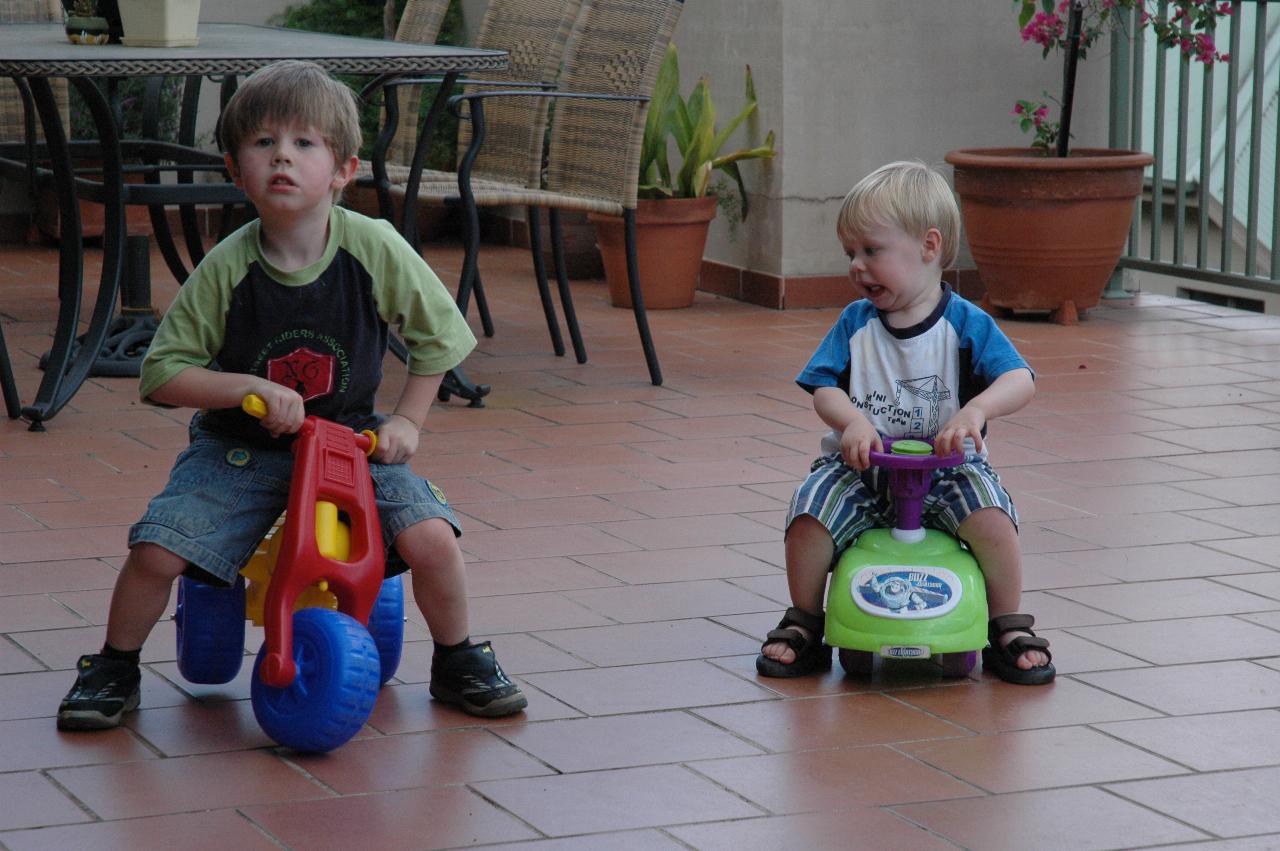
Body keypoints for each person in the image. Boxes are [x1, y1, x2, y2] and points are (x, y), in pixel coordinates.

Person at [57, 60, 526, 730]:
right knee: (157, 550)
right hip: (239, 448)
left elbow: (441, 340)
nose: (283, 157)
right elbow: (161, 375)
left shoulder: (374, 248)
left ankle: (455, 657)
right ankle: (113, 664)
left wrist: (408, 421)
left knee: (432, 538)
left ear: (343, 169)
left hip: (350, 444)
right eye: (263, 143)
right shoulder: (227, 266)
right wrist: (245, 387)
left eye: (305, 144)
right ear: (235, 166)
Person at [755, 160, 1054, 685]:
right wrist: (852, 422)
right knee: (808, 515)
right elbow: (823, 386)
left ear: (928, 246)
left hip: (948, 469)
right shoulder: (855, 323)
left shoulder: (965, 324)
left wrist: (976, 410)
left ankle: (1006, 623)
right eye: (851, 253)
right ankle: (805, 618)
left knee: (994, 521)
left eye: (872, 251)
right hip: (861, 468)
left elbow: (1020, 379)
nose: (857, 266)